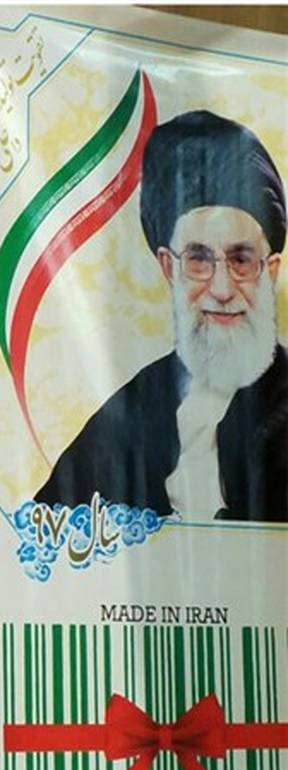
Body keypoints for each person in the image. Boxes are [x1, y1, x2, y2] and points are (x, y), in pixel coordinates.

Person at [36, 110, 287, 522]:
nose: (222, 290)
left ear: (270, 270)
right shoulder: (127, 416)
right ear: (169, 267)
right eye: (199, 260)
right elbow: (48, 533)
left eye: (241, 260)